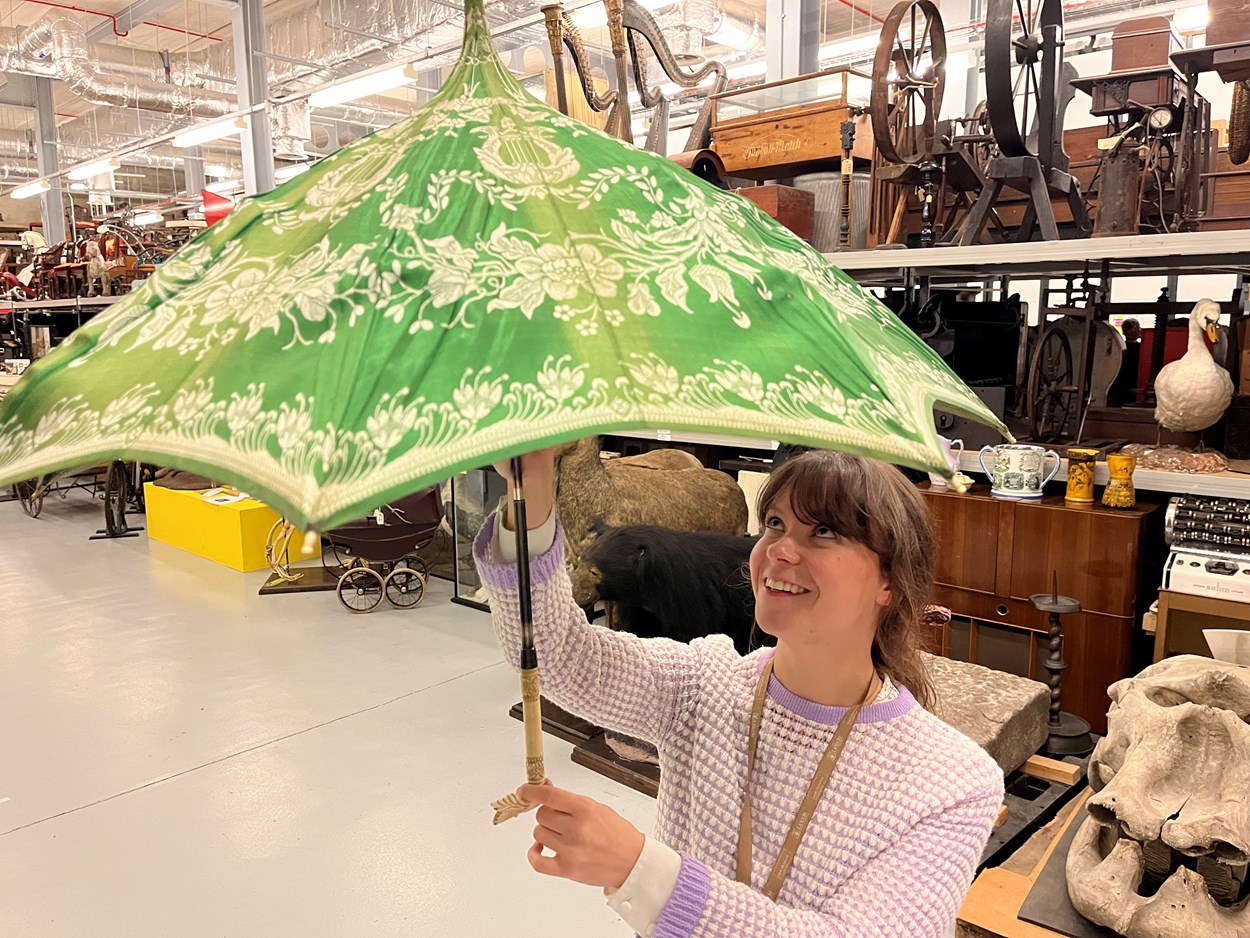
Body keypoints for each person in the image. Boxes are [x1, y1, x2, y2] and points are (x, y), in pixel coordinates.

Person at [474, 448, 1004, 938]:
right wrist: (535, 490)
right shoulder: (703, 686)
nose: (779, 551)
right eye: (774, 524)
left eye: (822, 531)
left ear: (890, 580)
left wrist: (640, 869)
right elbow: (560, 655)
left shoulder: (952, 783)